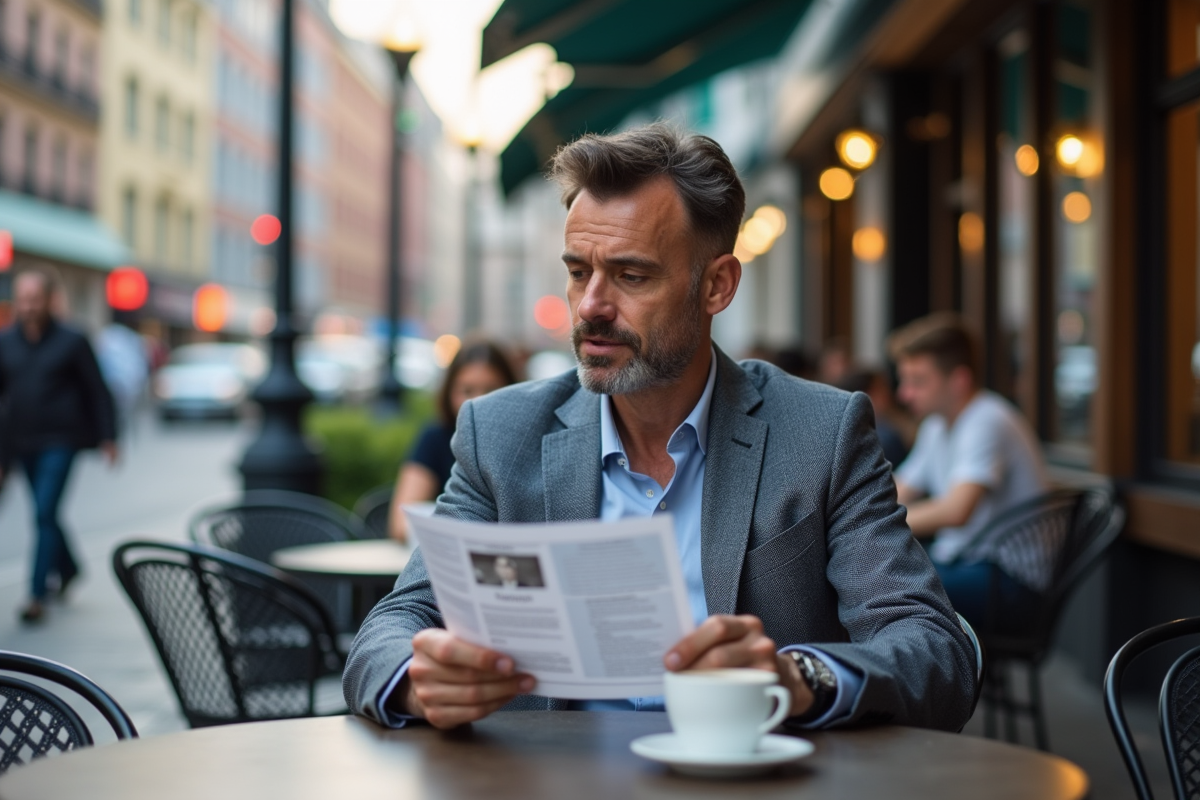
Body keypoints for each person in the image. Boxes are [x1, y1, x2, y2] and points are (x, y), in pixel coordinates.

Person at [345, 124, 975, 732]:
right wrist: (416, 675)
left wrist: (797, 677)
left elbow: (933, 649)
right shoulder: (501, 432)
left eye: (631, 275)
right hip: (547, 782)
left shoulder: (821, 433)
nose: (591, 305)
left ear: (717, 285)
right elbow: (397, 621)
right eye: (576, 271)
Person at [889, 313, 1048, 632]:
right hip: (967, 564)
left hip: (1009, 583)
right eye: (904, 381)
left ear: (959, 381)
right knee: (874, 580)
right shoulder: (936, 425)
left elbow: (956, 511)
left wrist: (874, 523)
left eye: (918, 381)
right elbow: (897, 490)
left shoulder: (986, 420)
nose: (904, 394)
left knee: (886, 589)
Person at [0, 268, 118, 623]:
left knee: (44, 511)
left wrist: (108, 437)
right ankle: (69, 569)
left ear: (49, 300)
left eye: (34, 299)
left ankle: (36, 595)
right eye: (22, 299)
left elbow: (98, 390)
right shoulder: (6, 342)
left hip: (61, 440)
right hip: (20, 440)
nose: (28, 306)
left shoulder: (72, 340)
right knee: (45, 511)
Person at [388, 341, 517, 542]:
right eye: (467, 391)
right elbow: (401, 523)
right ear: (449, 392)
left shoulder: (527, 442)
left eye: (491, 390)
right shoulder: (435, 437)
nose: (478, 402)